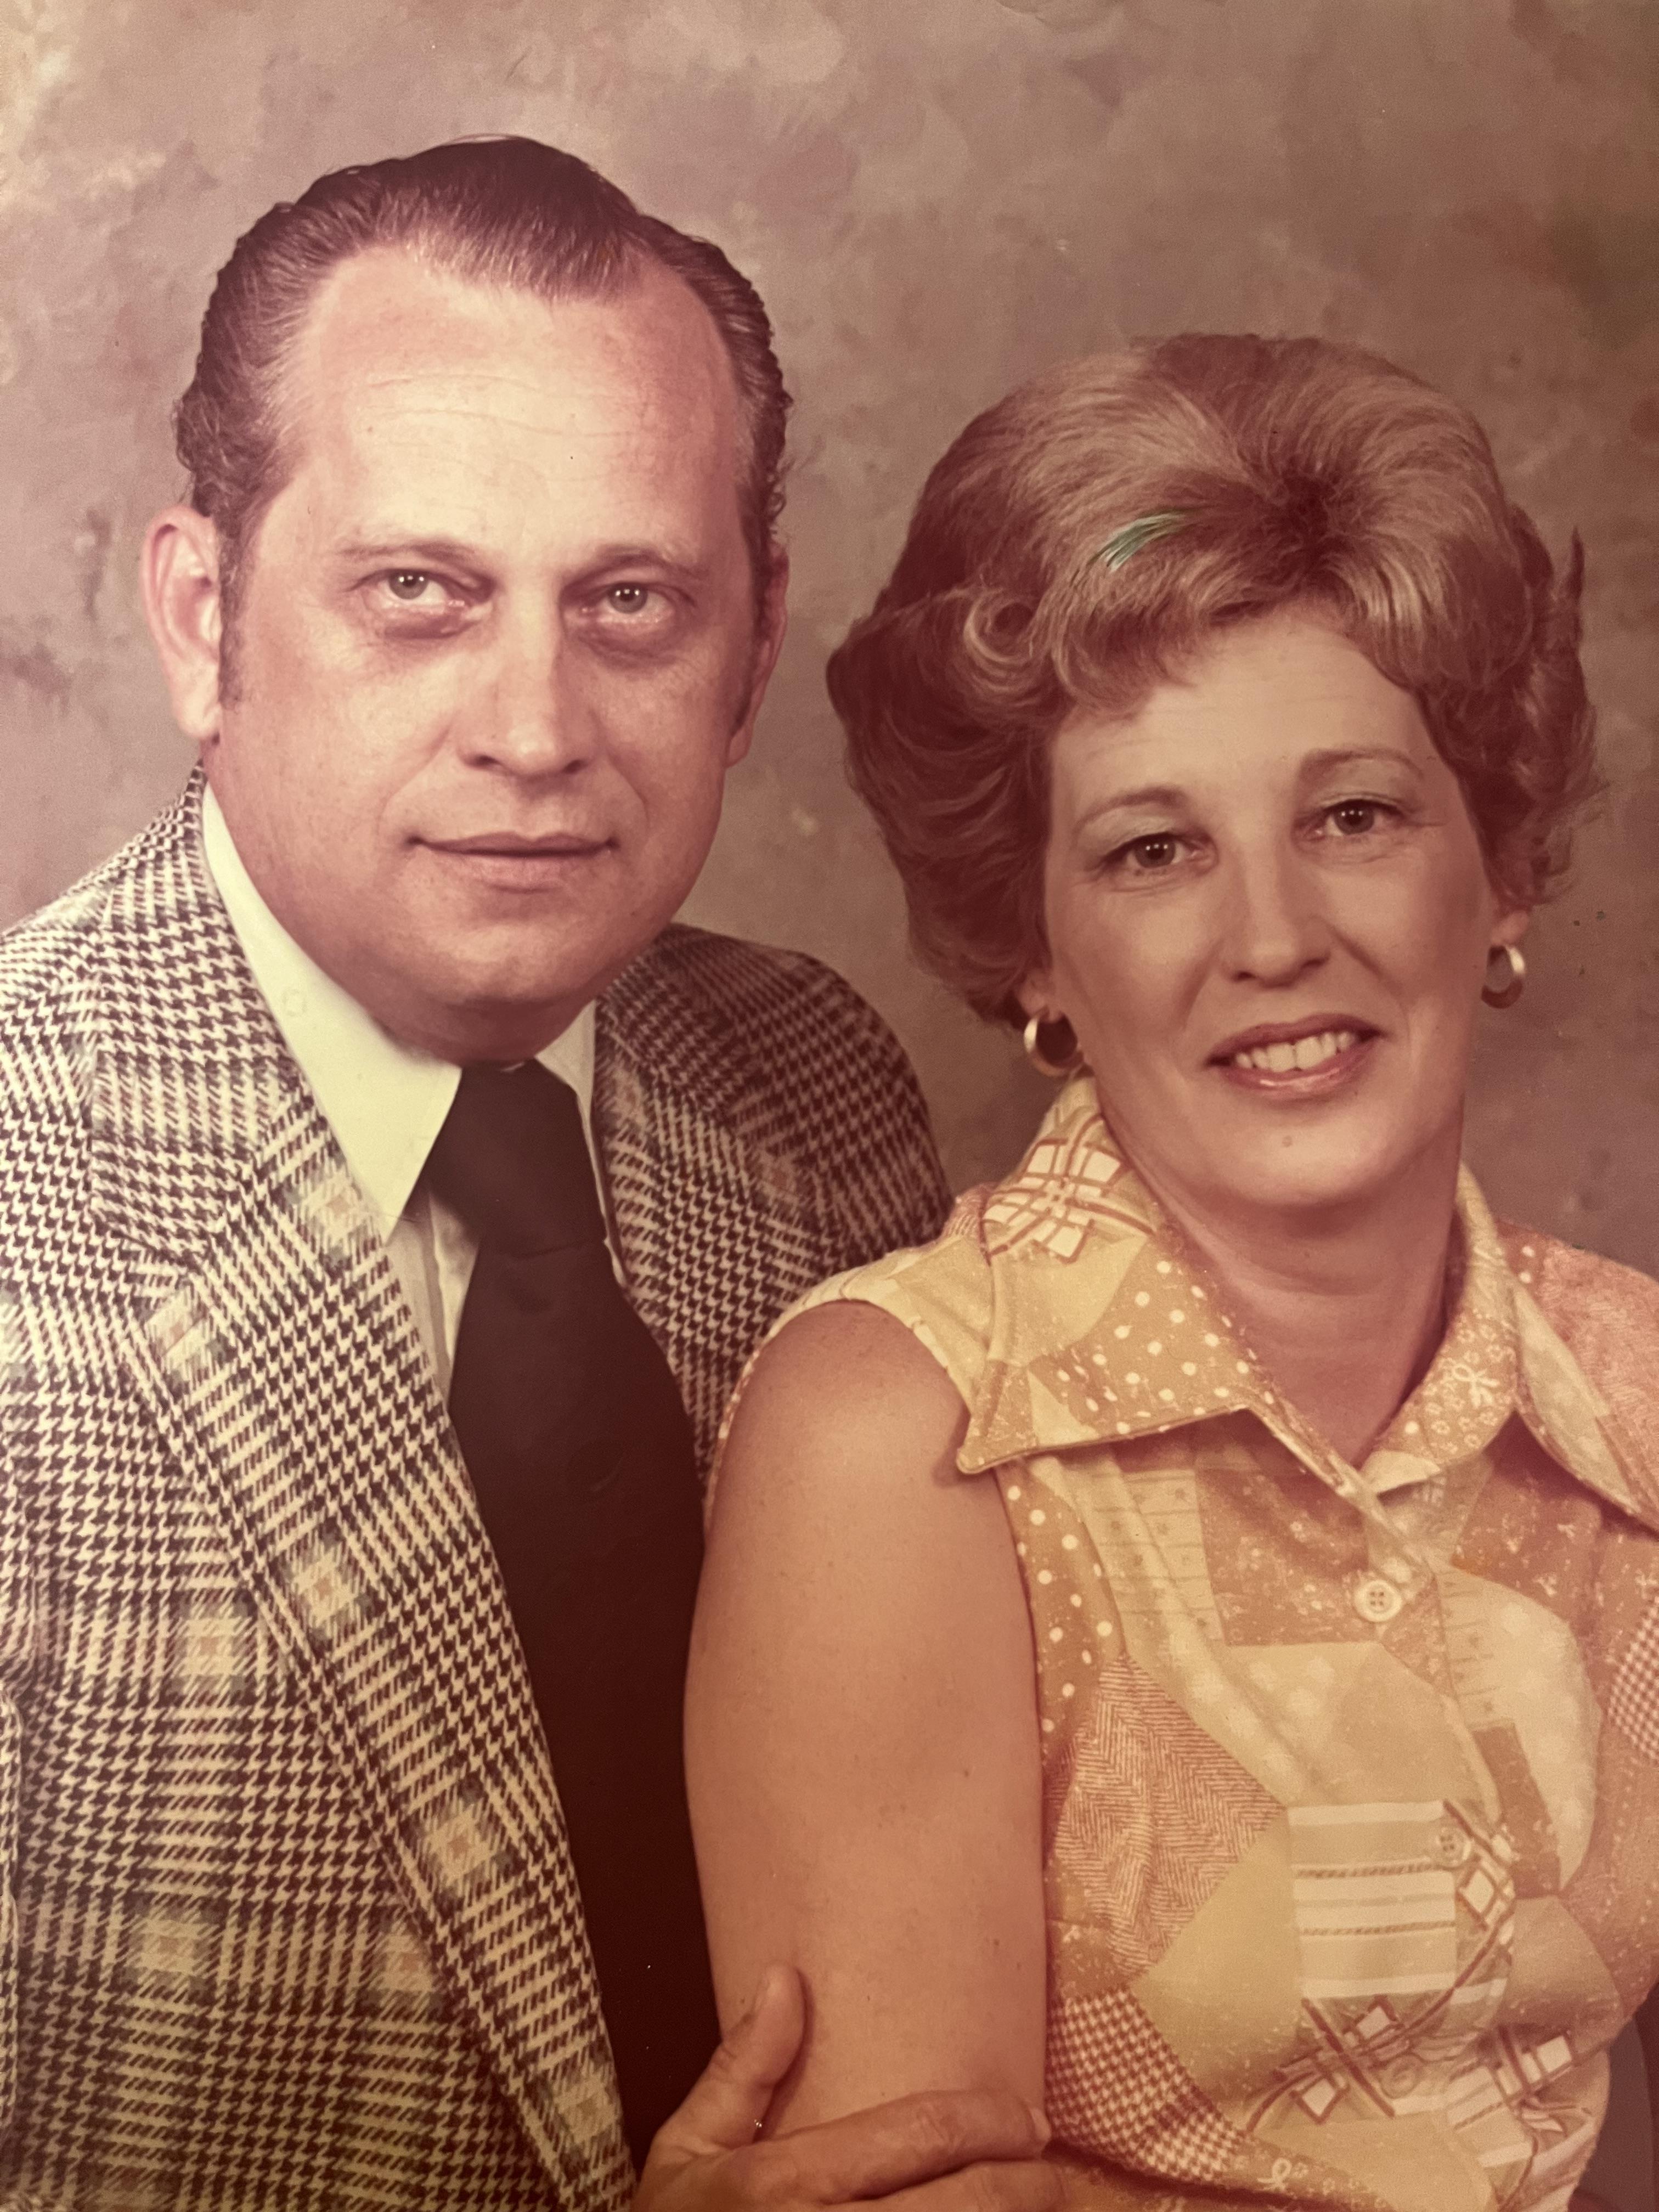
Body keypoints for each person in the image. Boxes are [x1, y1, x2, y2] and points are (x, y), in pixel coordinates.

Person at [0, 137, 1064, 2212]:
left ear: (752, 652)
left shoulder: (815, 1091)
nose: (534, 727)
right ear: (204, 622)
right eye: (419, 592)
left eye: (630, 603)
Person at [688, 334, 1659, 2212]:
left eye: (1355, 816)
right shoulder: (903, 1438)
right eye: (1153, 850)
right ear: (1036, 950)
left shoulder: (1634, 1390)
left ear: (1500, 871)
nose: (1272, 936)